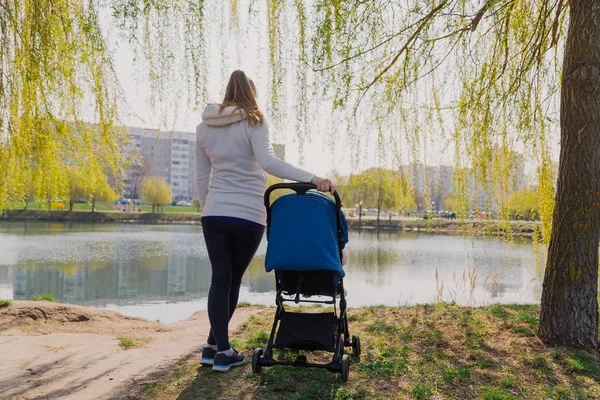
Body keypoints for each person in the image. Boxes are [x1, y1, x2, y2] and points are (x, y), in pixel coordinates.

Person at [195, 70, 335, 372]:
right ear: (251, 94)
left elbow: (201, 177)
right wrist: (312, 178)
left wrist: (209, 208)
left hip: (215, 213)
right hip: (247, 214)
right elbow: (269, 162)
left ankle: (213, 347)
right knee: (231, 280)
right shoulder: (254, 121)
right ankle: (222, 352)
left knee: (220, 278)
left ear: (226, 93)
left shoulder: (204, 127)